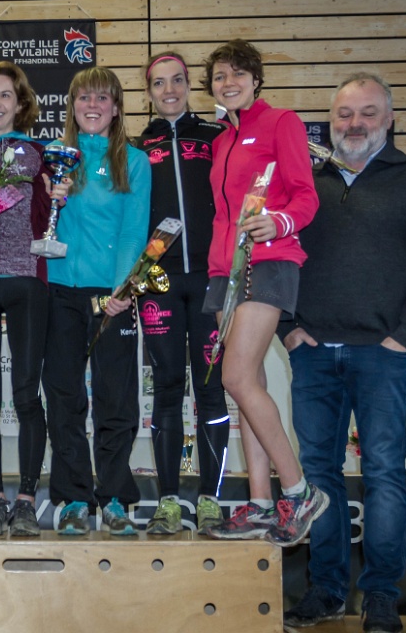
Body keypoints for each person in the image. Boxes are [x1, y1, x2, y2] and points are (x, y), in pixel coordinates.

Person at [279, 73, 406, 632]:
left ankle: (381, 594)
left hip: (383, 354)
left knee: (384, 472)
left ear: (390, 119)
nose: (354, 124)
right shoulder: (304, 180)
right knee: (319, 475)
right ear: (330, 121)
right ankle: (327, 591)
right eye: (344, 114)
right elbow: (272, 254)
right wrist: (287, 327)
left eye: (367, 113)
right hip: (313, 354)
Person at [197, 40, 326, 546]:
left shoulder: (281, 122)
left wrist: (279, 222)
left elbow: (306, 197)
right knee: (244, 383)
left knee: (235, 375)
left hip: (269, 262)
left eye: (237, 74)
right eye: (219, 76)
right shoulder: (222, 140)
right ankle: (260, 504)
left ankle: (298, 491)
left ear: (255, 79)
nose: (228, 83)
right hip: (223, 271)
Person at [0, 62, 69, 537]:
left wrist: (59, 195)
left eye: (5, 95)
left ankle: (25, 499)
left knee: (26, 394)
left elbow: (53, 212)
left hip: (26, 278)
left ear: (20, 103)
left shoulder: (41, 155)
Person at [42, 66, 151, 536]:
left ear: (116, 108)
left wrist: (123, 289)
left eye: (102, 98)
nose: (93, 106)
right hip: (60, 291)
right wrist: (49, 196)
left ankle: (115, 498)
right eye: (84, 98)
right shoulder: (51, 158)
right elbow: (37, 224)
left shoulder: (134, 161)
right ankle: (73, 498)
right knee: (64, 396)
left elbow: (133, 231)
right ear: (72, 106)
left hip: (113, 295)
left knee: (116, 398)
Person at [134, 52, 230, 534]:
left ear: (190, 85)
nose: (168, 90)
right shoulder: (137, 147)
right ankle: (168, 501)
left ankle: (211, 500)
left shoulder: (215, 136)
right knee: (168, 386)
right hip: (159, 282)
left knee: (211, 389)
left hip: (211, 280)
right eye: (158, 83)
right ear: (148, 91)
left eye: (176, 81)